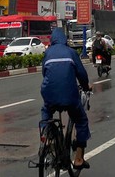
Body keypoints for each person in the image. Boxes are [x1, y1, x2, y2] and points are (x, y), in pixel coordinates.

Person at [40, 28, 92, 171]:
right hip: (69, 96)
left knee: (46, 111)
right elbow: (81, 74)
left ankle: (46, 136)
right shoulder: (71, 53)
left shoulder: (47, 53)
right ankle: (79, 159)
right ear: (65, 39)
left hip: (49, 94)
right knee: (81, 120)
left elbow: (45, 73)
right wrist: (86, 87)